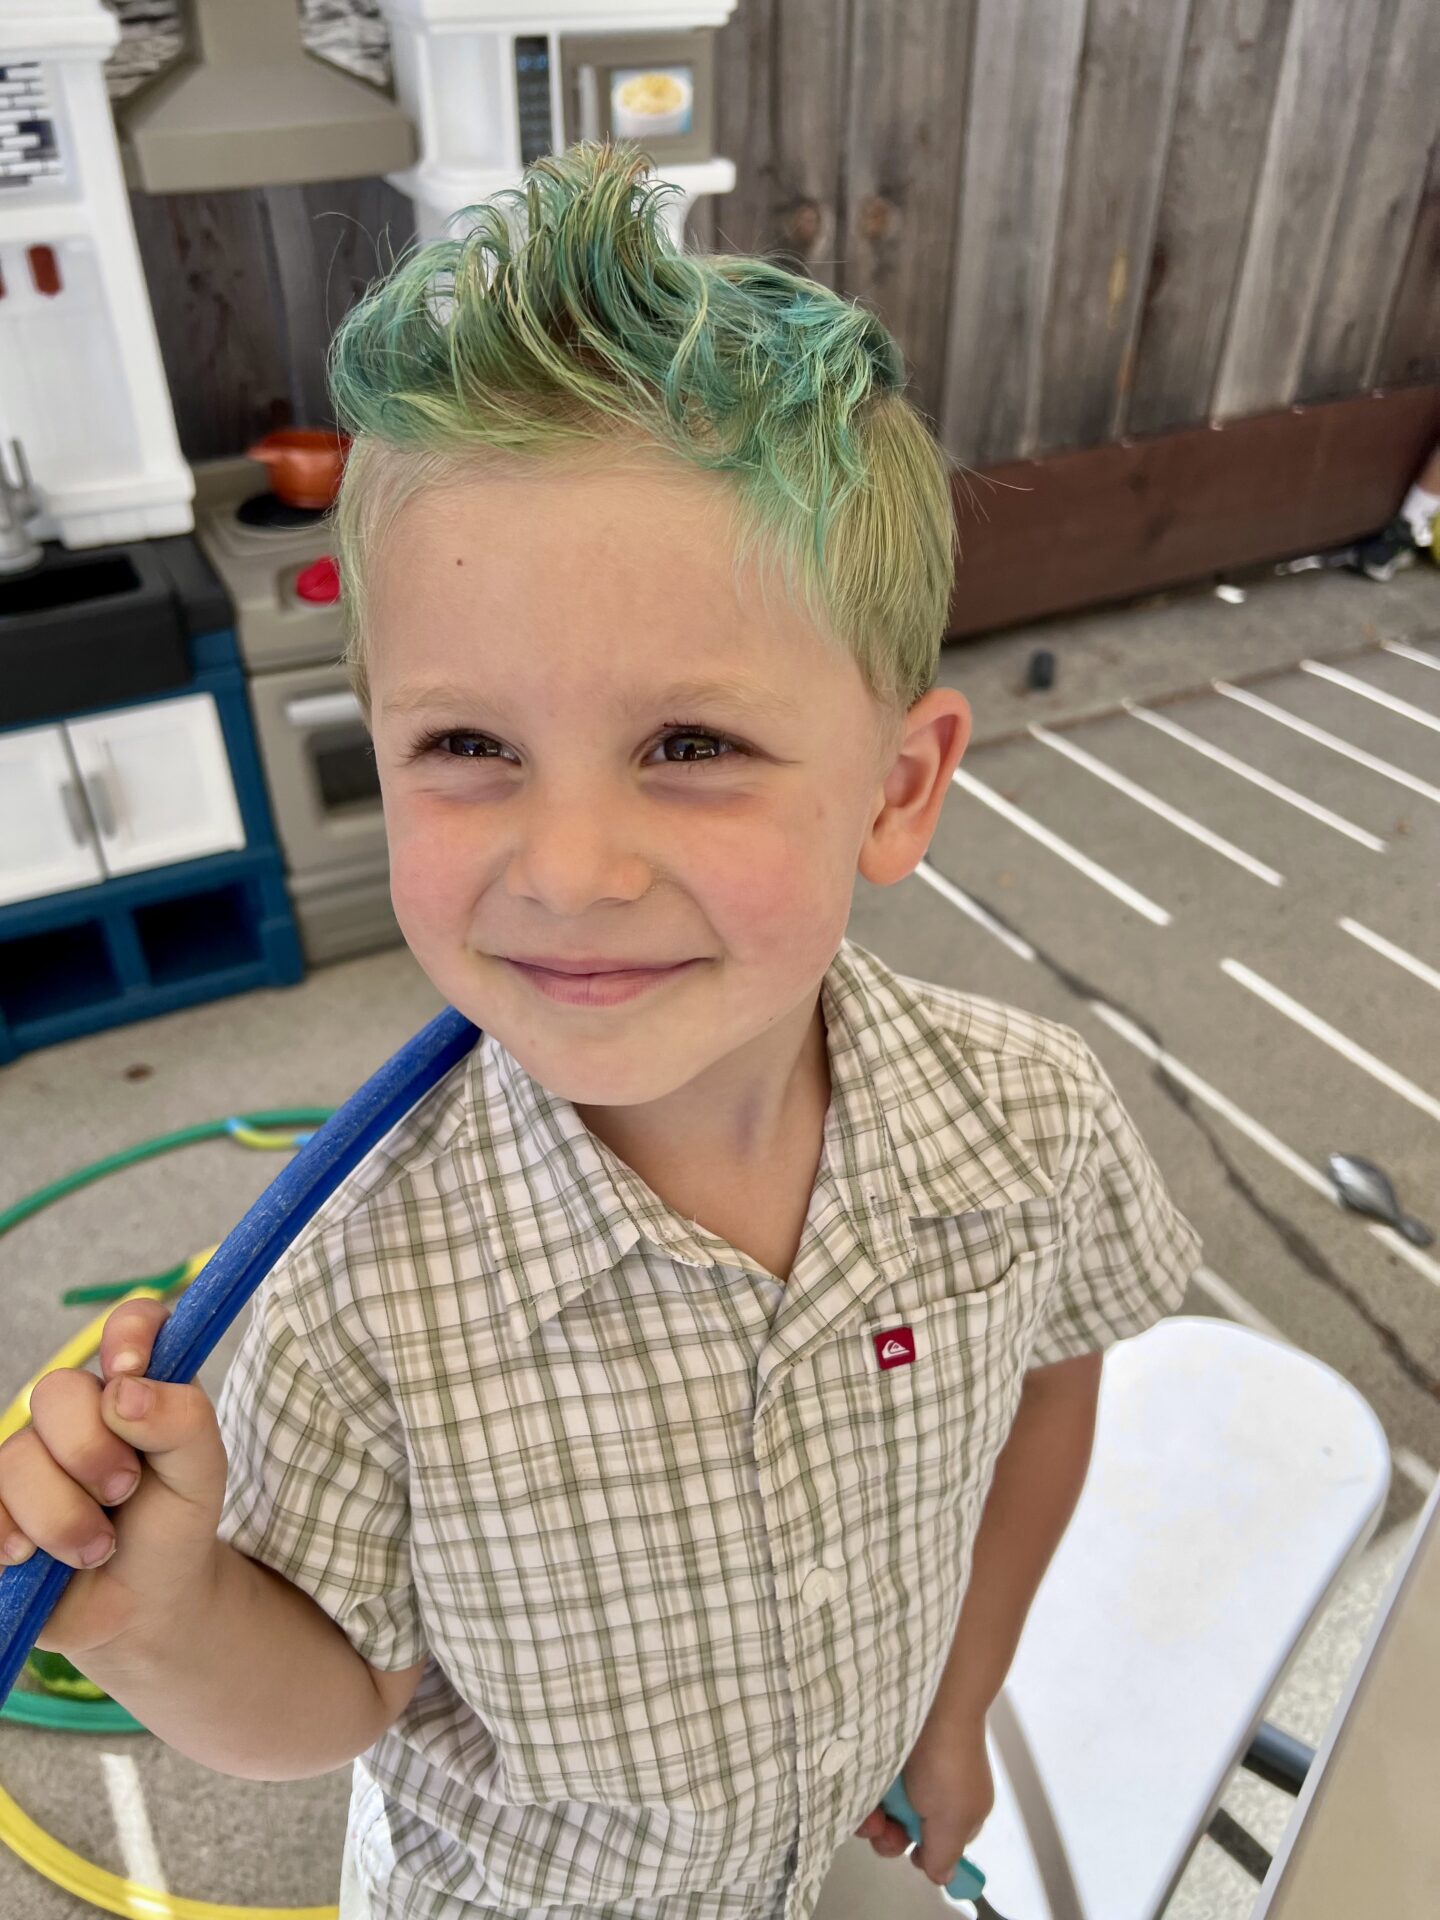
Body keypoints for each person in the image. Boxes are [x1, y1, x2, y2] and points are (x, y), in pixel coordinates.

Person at [0, 142, 1202, 1920]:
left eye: (690, 745)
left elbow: (1050, 1381)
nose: (566, 871)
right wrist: (156, 1614)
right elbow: (337, 1706)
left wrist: (956, 1710)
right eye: (468, 746)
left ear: (896, 789)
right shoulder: (354, 1289)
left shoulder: (1027, 1121)